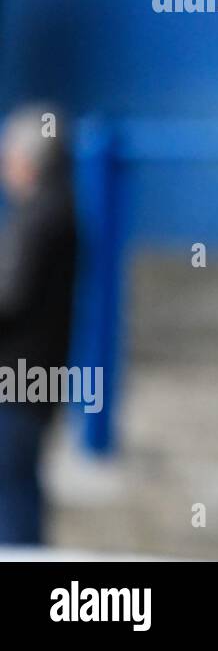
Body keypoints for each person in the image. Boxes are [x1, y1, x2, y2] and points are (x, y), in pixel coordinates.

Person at [0, 104, 78, 545]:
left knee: (13, 503)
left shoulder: (41, 218)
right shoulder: (51, 212)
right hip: (32, 380)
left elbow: (12, 298)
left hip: (18, 383)